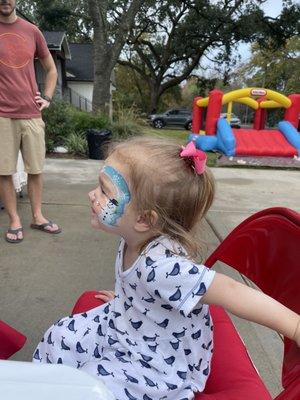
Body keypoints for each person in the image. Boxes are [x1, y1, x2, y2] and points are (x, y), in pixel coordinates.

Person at [33, 137, 300, 400]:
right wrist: (129, 301)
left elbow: (232, 291)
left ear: (143, 219)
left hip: (158, 361)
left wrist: (296, 326)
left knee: (92, 388)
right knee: (59, 336)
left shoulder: (163, 268)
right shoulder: (134, 238)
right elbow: (143, 290)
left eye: (105, 191)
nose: (92, 194)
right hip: (129, 325)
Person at [0, 0, 61, 243]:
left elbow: (52, 69)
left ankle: (38, 216)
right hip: (2, 115)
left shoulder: (32, 31)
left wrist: (46, 97)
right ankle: (14, 220)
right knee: (4, 171)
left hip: (32, 114)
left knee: (36, 169)